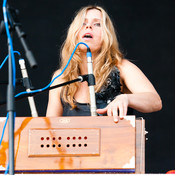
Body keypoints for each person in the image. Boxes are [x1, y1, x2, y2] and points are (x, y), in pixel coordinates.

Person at [46, 5, 162, 122]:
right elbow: (48, 130)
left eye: (97, 24)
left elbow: (155, 101)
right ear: (74, 33)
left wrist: (126, 98)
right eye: (83, 23)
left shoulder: (122, 68)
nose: (88, 26)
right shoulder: (60, 78)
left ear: (107, 35)